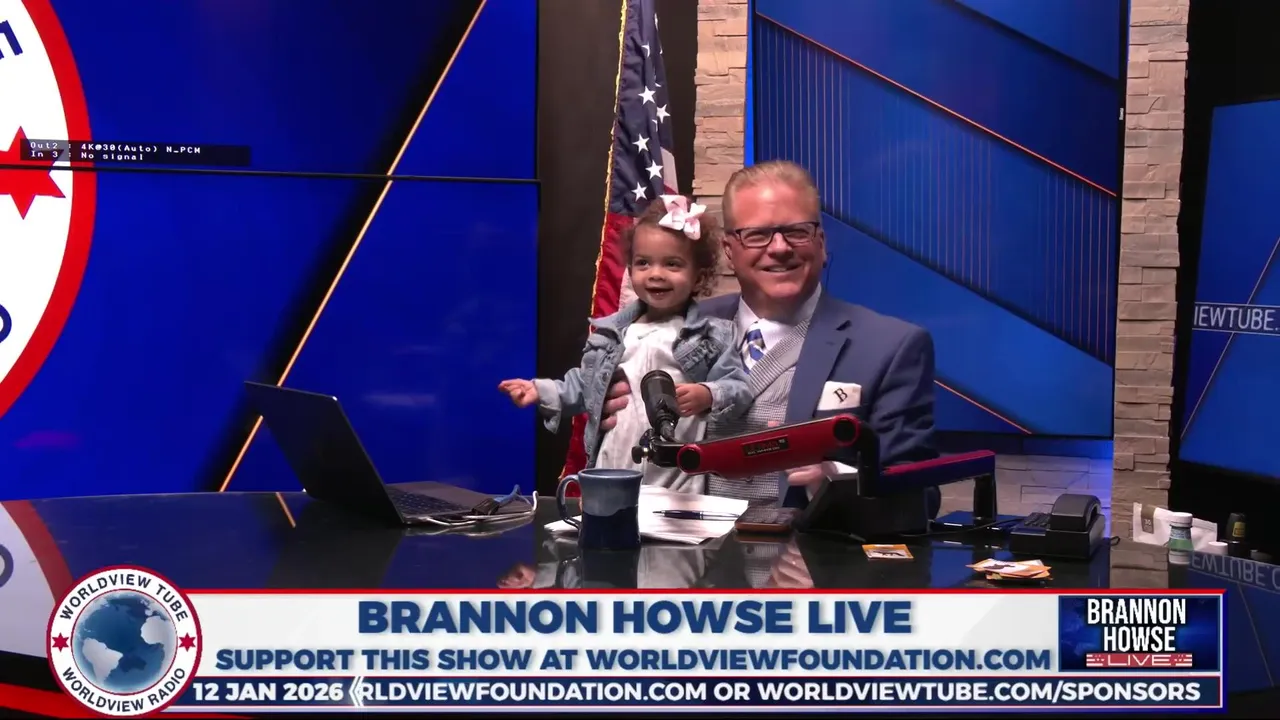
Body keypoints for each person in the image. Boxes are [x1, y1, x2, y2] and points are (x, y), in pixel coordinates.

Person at [598, 161, 940, 512]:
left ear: (821, 244)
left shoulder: (891, 347)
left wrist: (836, 484)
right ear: (729, 251)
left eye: (797, 232)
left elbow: (920, 499)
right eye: (757, 235)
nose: (779, 247)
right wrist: (612, 409)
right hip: (669, 541)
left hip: (800, 546)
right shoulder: (668, 328)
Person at [499, 195, 751, 489]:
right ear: (630, 271)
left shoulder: (711, 335)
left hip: (678, 478)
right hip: (615, 463)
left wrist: (708, 394)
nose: (656, 274)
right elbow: (585, 384)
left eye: (672, 264)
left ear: (698, 277)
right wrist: (541, 390)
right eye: (643, 263)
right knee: (612, 511)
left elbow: (739, 388)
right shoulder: (613, 334)